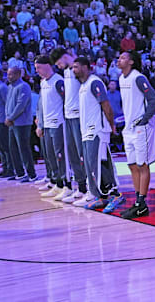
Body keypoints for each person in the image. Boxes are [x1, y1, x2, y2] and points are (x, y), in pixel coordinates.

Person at [72, 56, 124, 210]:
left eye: (76, 66)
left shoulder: (95, 82)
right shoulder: (82, 86)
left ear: (86, 67)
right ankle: (101, 197)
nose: (74, 70)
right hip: (87, 130)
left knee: (102, 163)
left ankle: (116, 195)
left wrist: (112, 125)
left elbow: (106, 105)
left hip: (98, 130)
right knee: (91, 166)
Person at [117, 50, 155, 218]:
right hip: (128, 128)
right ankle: (137, 202)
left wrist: (144, 119)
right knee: (132, 165)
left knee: (142, 165)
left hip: (141, 128)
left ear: (131, 62)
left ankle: (142, 203)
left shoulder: (138, 77)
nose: (119, 60)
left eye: (123, 57)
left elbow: (154, 98)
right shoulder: (121, 78)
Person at [51, 48, 88, 204]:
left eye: (59, 62)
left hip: (80, 116)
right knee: (72, 154)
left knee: (82, 154)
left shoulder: (77, 68)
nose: (58, 66)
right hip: (69, 115)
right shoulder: (67, 71)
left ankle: (89, 188)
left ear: (66, 57)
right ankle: (80, 187)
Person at [34, 56, 72, 201]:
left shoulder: (58, 81)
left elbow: (65, 101)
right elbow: (42, 106)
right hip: (47, 124)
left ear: (47, 65)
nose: (36, 70)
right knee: (49, 155)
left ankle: (67, 186)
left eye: (38, 67)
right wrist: (40, 123)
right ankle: (58, 183)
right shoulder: (43, 82)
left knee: (60, 155)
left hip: (58, 124)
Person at [5, 66, 37, 182]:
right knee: (13, 148)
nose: (9, 76)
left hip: (22, 123)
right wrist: (8, 117)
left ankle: (31, 174)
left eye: (11, 74)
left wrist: (10, 117)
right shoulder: (9, 87)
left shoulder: (23, 86)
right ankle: (19, 173)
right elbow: (8, 104)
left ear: (18, 75)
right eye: (8, 74)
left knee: (24, 148)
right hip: (12, 123)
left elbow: (21, 105)